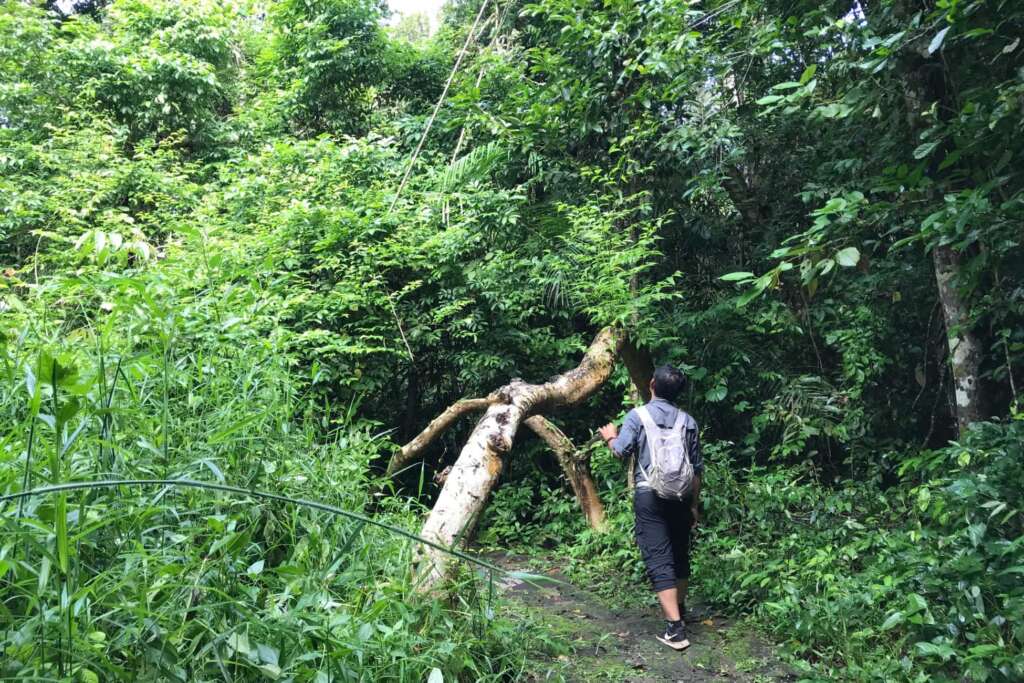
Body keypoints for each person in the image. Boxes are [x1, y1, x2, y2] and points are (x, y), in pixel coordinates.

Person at [598, 365, 703, 651]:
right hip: (681, 496)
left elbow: (621, 451)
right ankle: (680, 610)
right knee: (680, 553)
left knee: (658, 557)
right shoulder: (688, 421)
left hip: (650, 496)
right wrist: (694, 506)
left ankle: (675, 630)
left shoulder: (638, 416)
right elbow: (696, 470)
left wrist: (610, 436)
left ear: (652, 383)